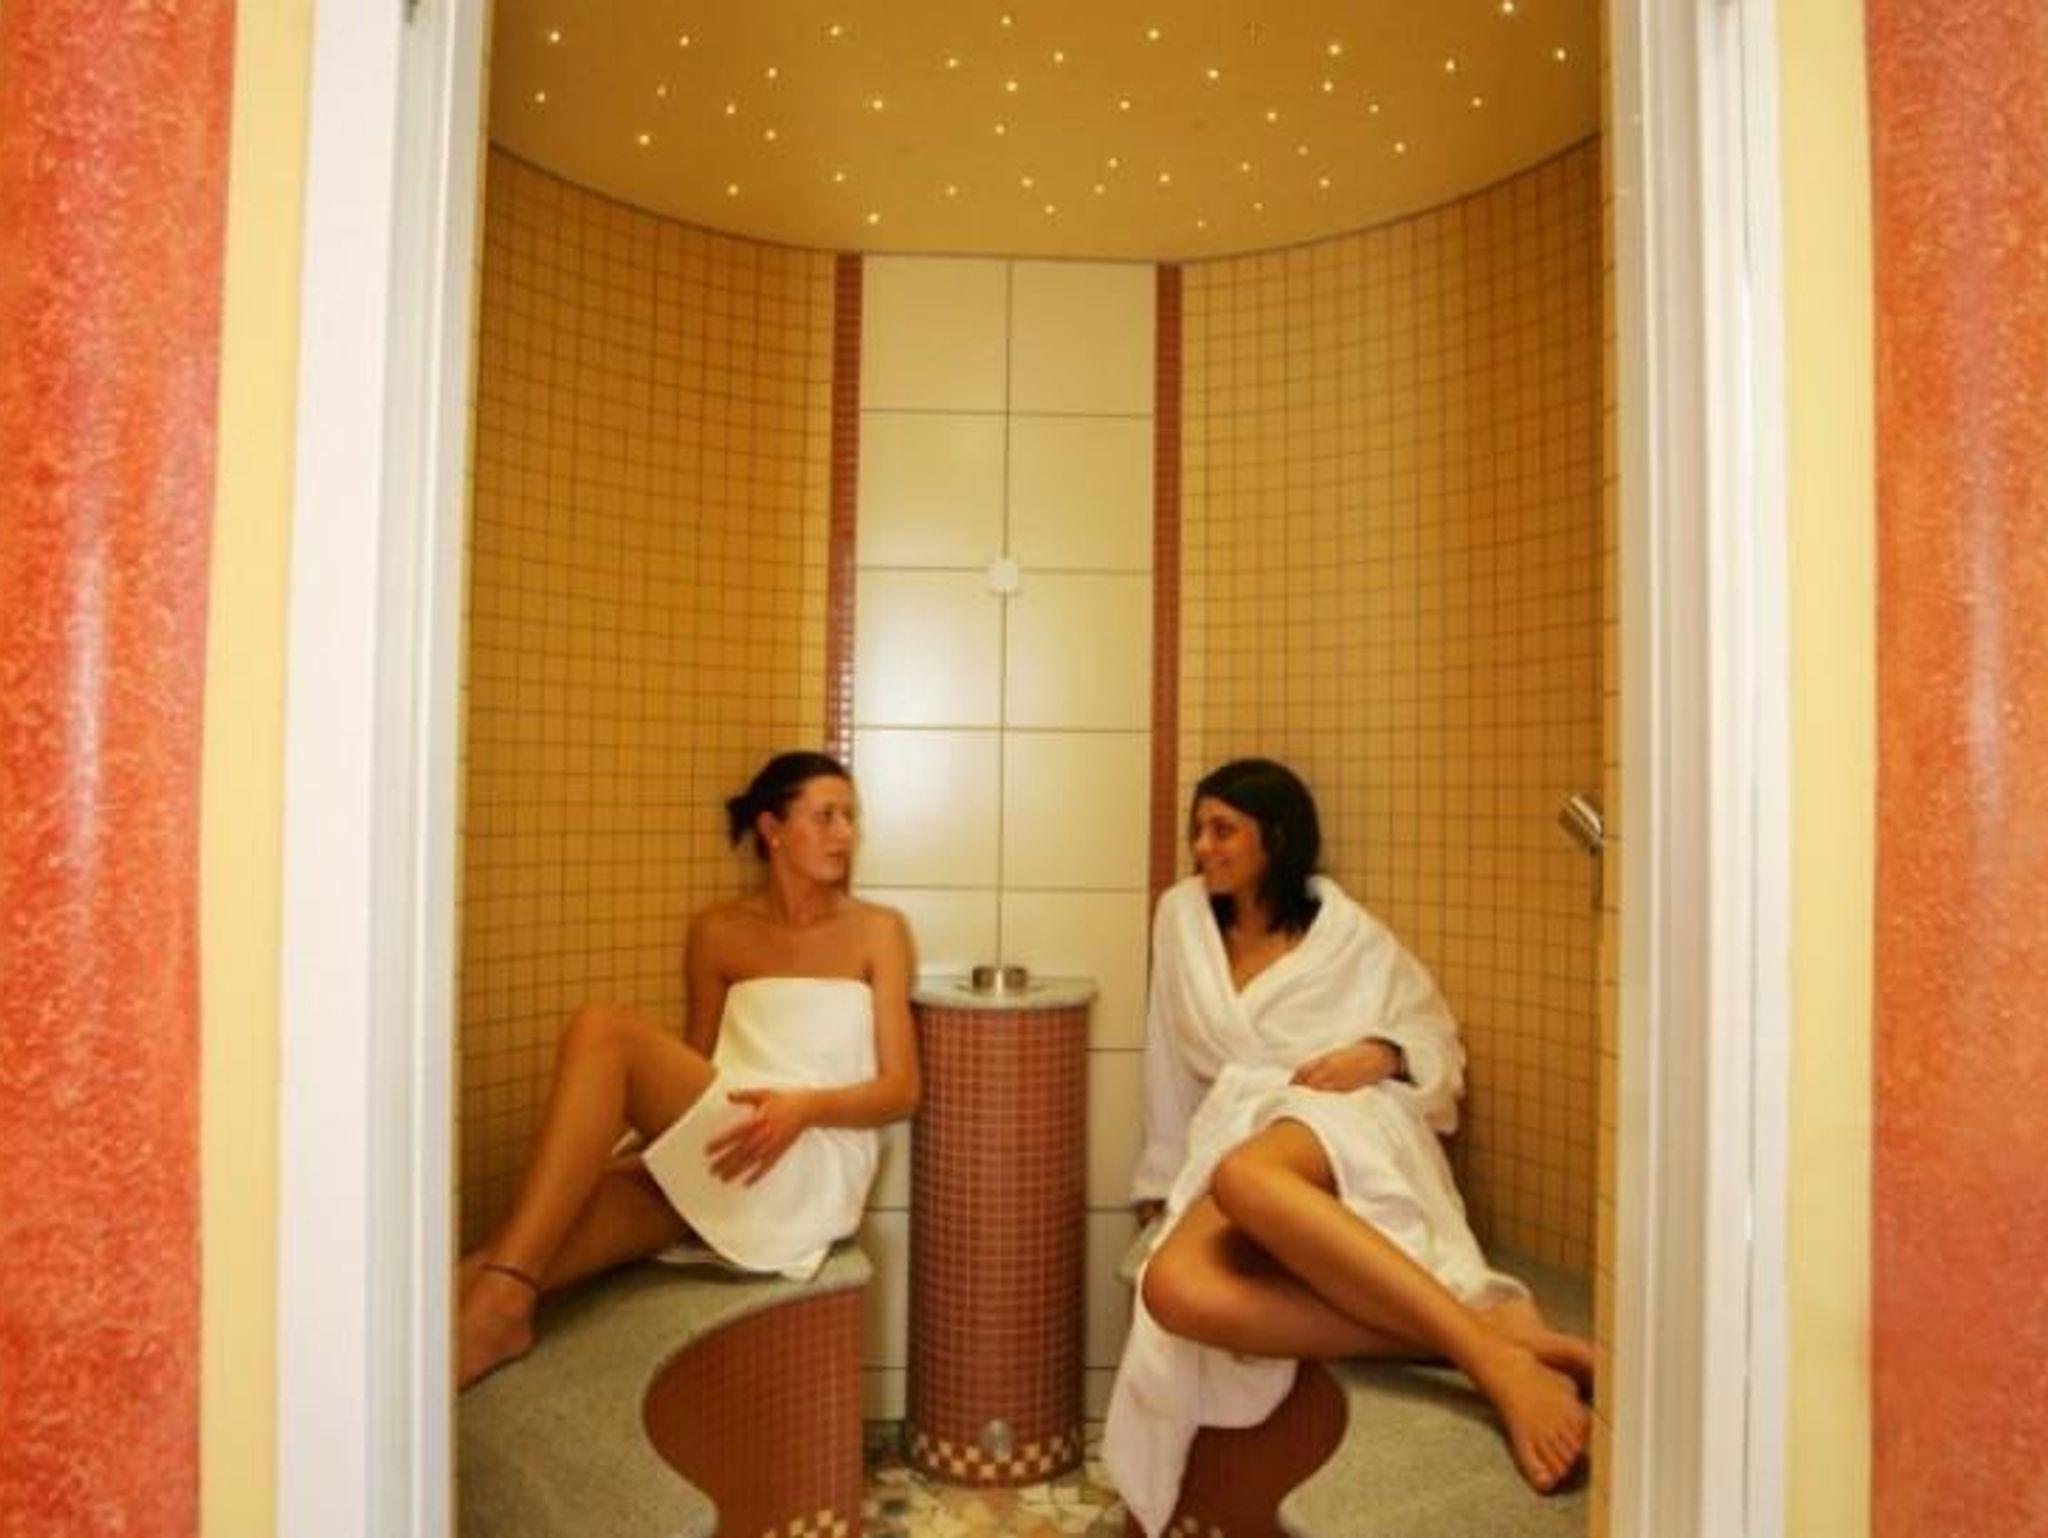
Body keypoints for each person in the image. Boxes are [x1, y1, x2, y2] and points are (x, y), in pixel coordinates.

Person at [1102, 759, 1591, 1534]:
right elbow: (1168, 1056)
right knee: (1175, 1289)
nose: (1202, 847)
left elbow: (1433, 1033)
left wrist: (1383, 1053)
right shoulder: (1180, 917)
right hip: (1246, 1118)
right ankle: (1482, 1338)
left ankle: (1497, 1368)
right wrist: (1161, 1181)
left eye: (1223, 829)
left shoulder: (1344, 933)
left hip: (1344, 1113)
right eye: (1198, 829)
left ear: (1276, 837)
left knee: (1246, 1177)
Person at [455, 750, 920, 1390]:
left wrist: (804, 1108)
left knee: (602, 1030)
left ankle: (497, 1307)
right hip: (729, 1145)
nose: (845, 834)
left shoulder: (878, 932)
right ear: (772, 828)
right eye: (826, 816)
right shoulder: (718, 931)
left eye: (850, 817)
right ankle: (442, 1351)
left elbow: (902, 1090)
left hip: (809, 1158)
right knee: (507, 1254)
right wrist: (648, 1151)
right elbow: (699, 1062)